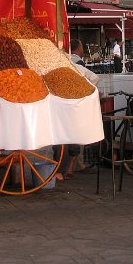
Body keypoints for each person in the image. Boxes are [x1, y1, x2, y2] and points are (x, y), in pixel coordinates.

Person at [54, 39, 100, 179]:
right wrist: (86, 94)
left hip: (66, 110)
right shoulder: (75, 67)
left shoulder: (72, 68)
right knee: (72, 139)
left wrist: (85, 92)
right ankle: (68, 169)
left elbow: (94, 78)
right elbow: (94, 78)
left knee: (62, 141)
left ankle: (62, 170)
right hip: (75, 109)